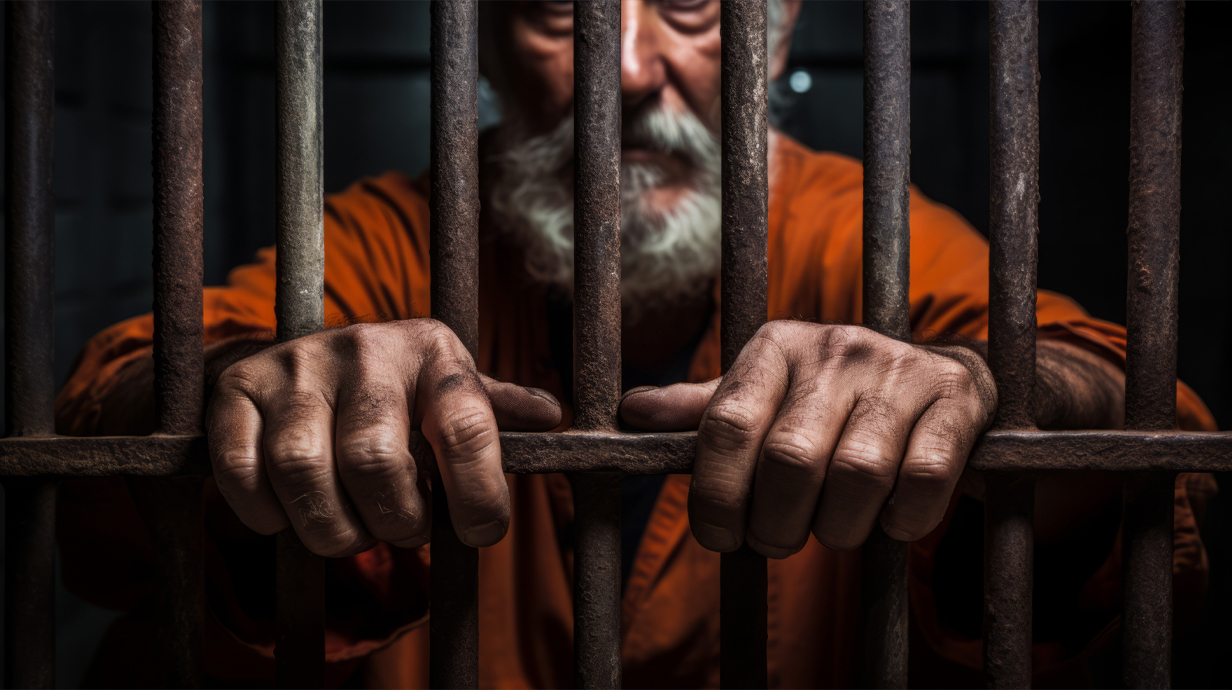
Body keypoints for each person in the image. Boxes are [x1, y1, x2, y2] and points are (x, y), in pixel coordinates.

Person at [56, 1, 1216, 687]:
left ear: (770, 38)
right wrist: (243, 396)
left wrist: (974, 392)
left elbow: (1106, 399)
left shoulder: (863, 235)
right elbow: (134, 397)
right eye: (559, 10)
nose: (623, 68)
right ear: (481, 45)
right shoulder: (393, 235)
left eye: (690, 7)